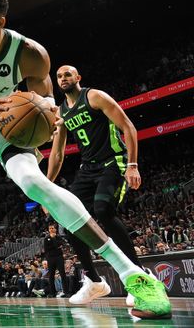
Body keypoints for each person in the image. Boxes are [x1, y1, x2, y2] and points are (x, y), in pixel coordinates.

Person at [0, 0, 169, 319]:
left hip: (3, 124)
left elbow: (43, 103)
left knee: (35, 182)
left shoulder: (31, 53)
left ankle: (136, 276)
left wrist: (42, 123)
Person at [48, 65, 144, 307]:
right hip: (88, 168)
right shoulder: (61, 112)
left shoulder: (94, 96)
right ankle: (93, 281)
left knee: (103, 210)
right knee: (68, 218)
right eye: (59, 76)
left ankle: (139, 276)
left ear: (78, 77)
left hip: (114, 162)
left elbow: (128, 127)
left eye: (67, 74)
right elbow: (57, 154)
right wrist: (46, 189)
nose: (63, 79)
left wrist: (132, 164)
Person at [43, 224, 68, 298]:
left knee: (62, 274)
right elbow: (46, 249)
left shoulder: (58, 237)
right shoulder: (46, 238)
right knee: (51, 275)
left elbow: (60, 245)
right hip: (50, 258)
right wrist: (56, 246)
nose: (51, 229)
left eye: (52, 228)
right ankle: (52, 293)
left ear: (55, 229)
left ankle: (66, 292)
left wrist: (53, 239)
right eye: (49, 228)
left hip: (59, 257)